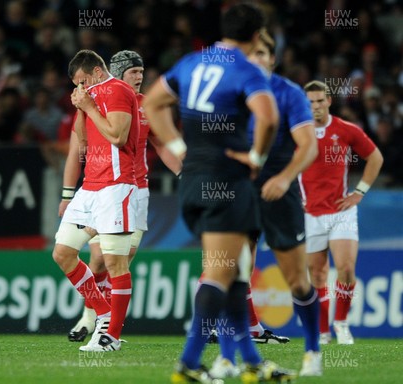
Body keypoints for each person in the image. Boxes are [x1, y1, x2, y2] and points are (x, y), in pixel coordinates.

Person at [144, 4, 295, 383]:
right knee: (220, 274)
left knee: (234, 273)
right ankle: (189, 363)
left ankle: (251, 363)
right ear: (257, 34)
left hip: (194, 178)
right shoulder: (246, 70)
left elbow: (152, 102)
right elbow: (269, 116)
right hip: (227, 178)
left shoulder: (192, 62)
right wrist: (257, 156)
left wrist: (179, 149)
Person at [210, 30, 322, 379]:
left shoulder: (289, 93)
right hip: (240, 191)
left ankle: (313, 352)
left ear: (272, 58)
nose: (256, 59)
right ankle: (227, 359)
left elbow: (308, 146)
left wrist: (286, 177)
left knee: (296, 281)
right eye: (251, 53)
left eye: (262, 53)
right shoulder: (231, 92)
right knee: (230, 274)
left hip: (279, 191)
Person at [63, 50, 181, 342]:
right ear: (114, 73)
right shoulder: (96, 97)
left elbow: (162, 146)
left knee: (118, 259)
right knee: (97, 257)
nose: (139, 78)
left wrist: (184, 173)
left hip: (132, 189)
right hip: (96, 188)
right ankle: (93, 316)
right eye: (133, 72)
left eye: (141, 72)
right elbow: (77, 148)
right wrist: (68, 193)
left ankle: (106, 325)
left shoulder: (144, 106)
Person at [52, 49, 139, 352]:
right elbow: (82, 141)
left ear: (98, 72)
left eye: (83, 81)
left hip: (115, 187)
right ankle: (102, 311)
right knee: (62, 252)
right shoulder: (91, 96)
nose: (80, 88)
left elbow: (117, 136)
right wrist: (81, 108)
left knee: (115, 262)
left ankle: (111, 336)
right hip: (89, 187)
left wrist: (89, 106)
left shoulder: (117, 90)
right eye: (76, 84)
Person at [301, 80, 383, 345]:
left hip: (340, 210)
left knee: (346, 268)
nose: (315, 106)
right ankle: (323, 330)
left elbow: (375, 157)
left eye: (319, 101)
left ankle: (342, 323)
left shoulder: (346, 130)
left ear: (329, 102)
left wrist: (359, 192)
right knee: (317, 275)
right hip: (310, 213)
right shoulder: (297, 133)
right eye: (310, 102)